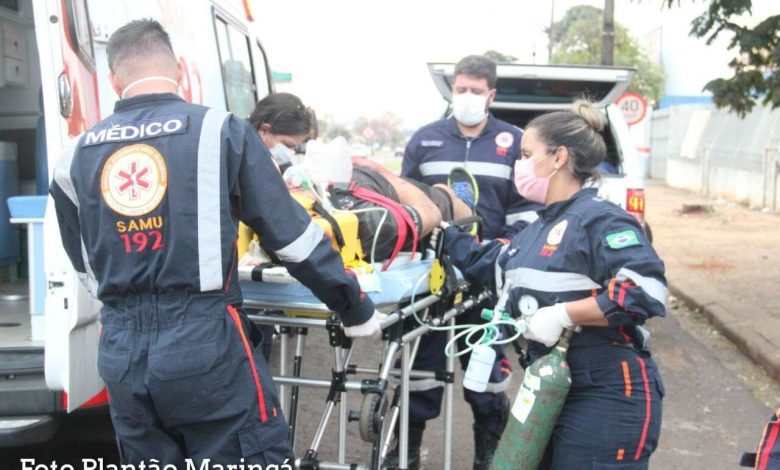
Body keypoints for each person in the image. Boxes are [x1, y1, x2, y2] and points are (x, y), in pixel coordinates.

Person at [48, 20, 382, 467]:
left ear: (113, 81)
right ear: (181, 71)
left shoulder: (73, 156)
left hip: (122, 350)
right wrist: (352, 305)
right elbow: (293, 239)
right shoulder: (218, 130)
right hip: (205, 342)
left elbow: (84, 262)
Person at [440, 100, 666, 469]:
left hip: (606, 389)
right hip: (547, 384)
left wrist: (563, 313)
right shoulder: (536, 229)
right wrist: (441, 231)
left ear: (559, 157)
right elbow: (495, 266)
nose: (519, 164)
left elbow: (645, 291)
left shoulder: (602, 221)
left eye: (527, 154)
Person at [396, 54, 539, 468]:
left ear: (491, 94)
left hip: (487, 278)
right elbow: (405, 206)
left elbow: (527, 210)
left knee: (487, 371)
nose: (468, 97)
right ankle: (403, 451)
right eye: (462, 89)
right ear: (452, 90)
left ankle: (490, 454)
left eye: (477, 91)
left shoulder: (515, 143)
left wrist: (500, 247)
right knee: (417, 370)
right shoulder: (425, 140)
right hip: (429, 277)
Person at [246, 94, 474, 265]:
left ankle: (462, 203)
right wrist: (385, 175)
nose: (290, 154)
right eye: (289, 146)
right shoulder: (373, 223)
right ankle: (464, 204)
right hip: (383, 189)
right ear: (264, 130)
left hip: (368, 184)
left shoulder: (286, 177)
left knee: (443, 196)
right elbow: (431, 214)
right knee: (444, 197)